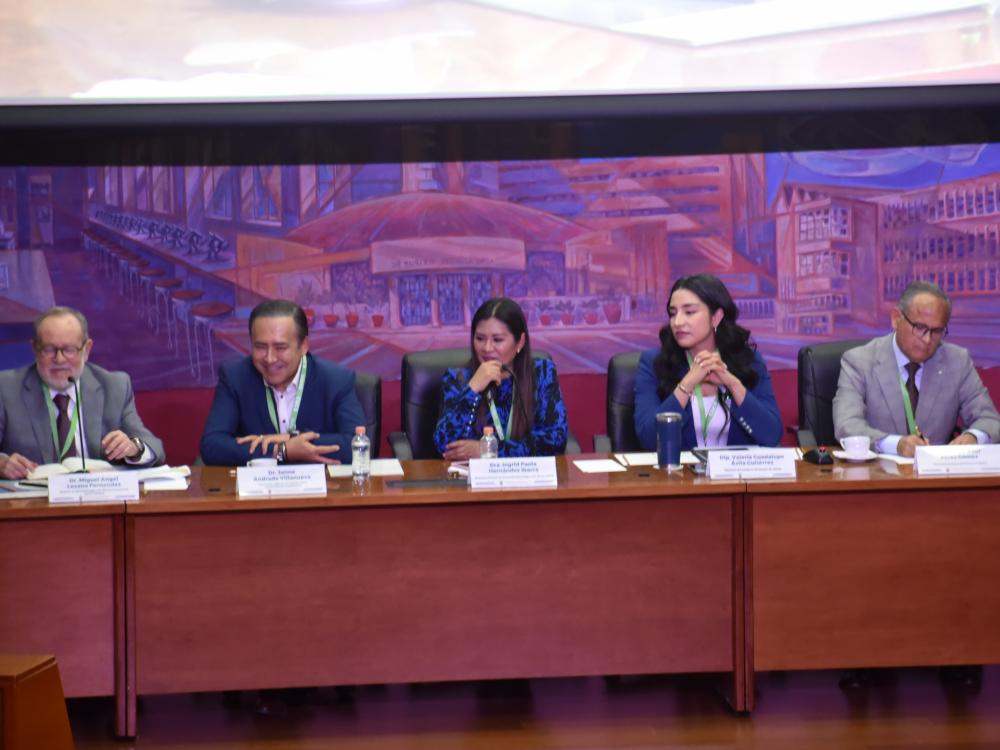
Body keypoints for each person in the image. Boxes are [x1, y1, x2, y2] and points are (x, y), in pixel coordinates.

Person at [833, 280, 999, 457]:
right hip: (878, 470)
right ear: (896, 319)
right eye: (920, 327)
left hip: (937, 471)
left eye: (937, 331)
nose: (927, 340)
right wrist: (896, 445)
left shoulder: (957, 361)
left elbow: (990, 420)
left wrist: (973, 437)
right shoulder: (859, 362)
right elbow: (847, 425)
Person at [0, 306, 164, 478]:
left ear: (86, 350)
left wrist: (133, 448)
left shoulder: (114, 386)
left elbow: (154, 448)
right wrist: (2, 464)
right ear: (35, 349)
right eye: (49, 349)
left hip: (96, 491)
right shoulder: (6, 388)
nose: (59, 359)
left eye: (69, 349)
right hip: (33, 493)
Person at [199, 299, 367, 465]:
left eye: (280, 348)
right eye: (260, 347)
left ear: (303, 346)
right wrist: (282, 451)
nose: (270, 358)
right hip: (259, 482)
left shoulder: (336, 380)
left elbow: (357, 444)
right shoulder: (235, 377)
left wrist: (292, 439)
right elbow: (212, 446)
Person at [633, 274, 783, 451]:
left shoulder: (749, 361)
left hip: (735, 469)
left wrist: (733, 384)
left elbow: (771, 436)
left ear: (716, 317)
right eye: (673, 314)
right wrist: (687, 384)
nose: (677, 322)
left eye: (689, 312)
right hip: (680, 468)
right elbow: (649, 439)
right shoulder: (654, 364)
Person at [434, 297, 568, 459]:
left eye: (497, 340)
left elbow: (556, 441)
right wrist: (473, 388)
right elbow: (444, 444)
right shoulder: (458, 378)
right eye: (479, 338)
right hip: (474, 474)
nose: (487, 348)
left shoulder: (542, 372)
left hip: (529, 474)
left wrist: (488, 450)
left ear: (520, 342)